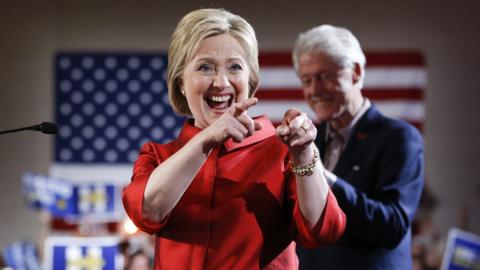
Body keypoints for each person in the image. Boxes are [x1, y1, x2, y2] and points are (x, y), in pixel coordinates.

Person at [122, 8, 346, 270]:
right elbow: (146, 212)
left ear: (250, 80)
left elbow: (324, 231)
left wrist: (306, 154)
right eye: (205, 67)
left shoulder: (282, 150)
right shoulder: (157, 156)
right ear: (181, 81)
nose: (221, 81)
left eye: (235, 67)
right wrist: (206, 140)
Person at [292, 25, 424, 270]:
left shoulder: (399, 137)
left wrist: (323, 178)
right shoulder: (307, 140)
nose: (314, 90)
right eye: (306, 80)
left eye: (324, 77)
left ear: (356, 72)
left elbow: (393, 225)